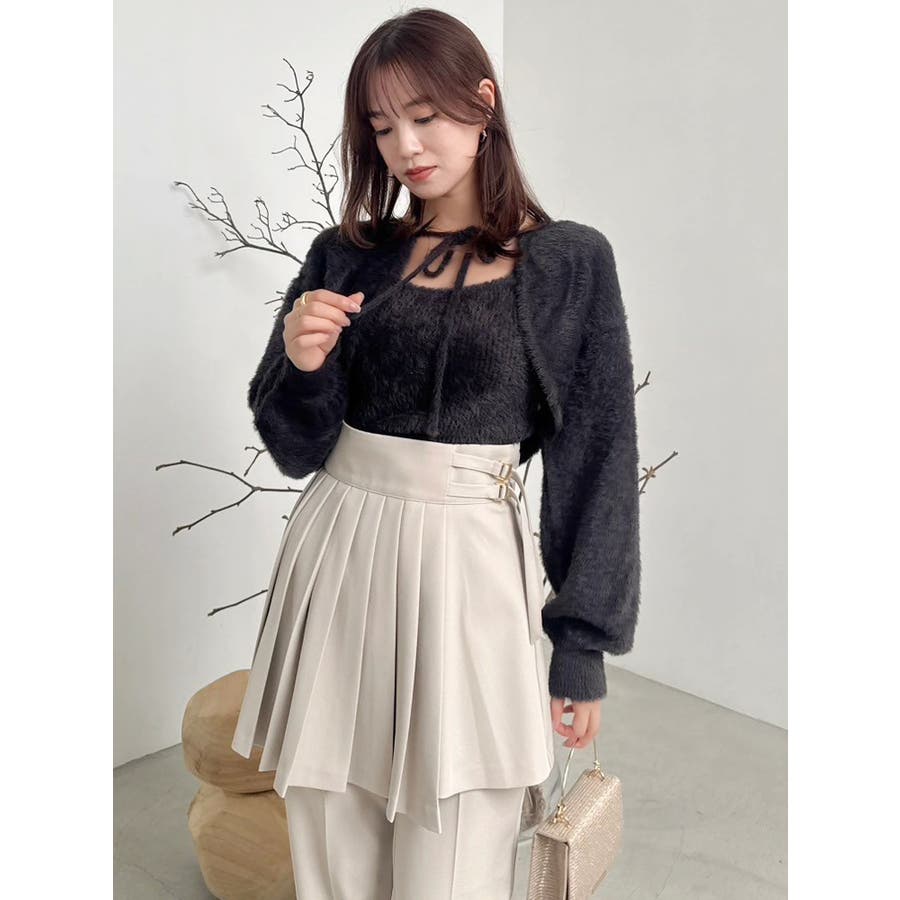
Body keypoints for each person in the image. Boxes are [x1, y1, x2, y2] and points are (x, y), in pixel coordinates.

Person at [231, 8, 641, 899]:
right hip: (339, 546)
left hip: (471, 560)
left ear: (482, 103)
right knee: (331, 821)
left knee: (459, 830)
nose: (405, 147)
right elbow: (295, 447)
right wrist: (302, 364)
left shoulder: (569, 263)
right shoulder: (345, 256)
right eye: (382, 127)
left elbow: (597, 456)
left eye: (424, 116)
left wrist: (581, 645)